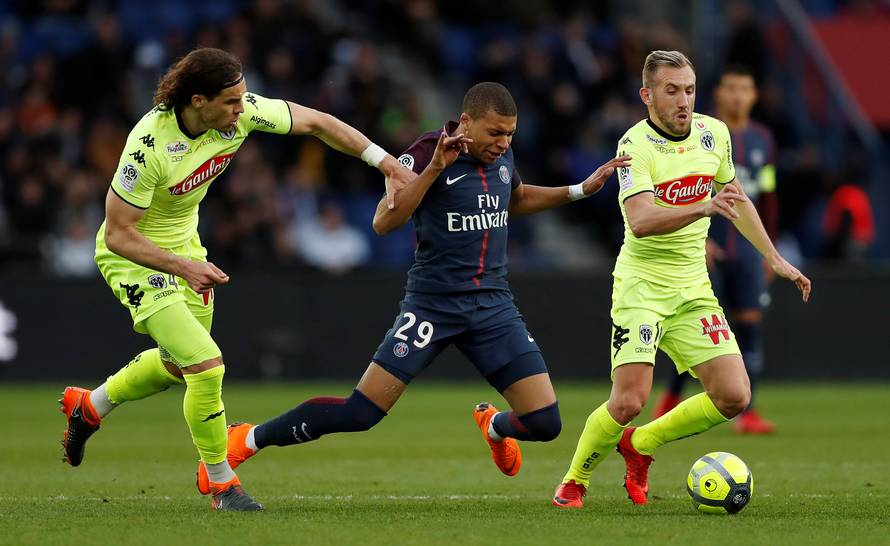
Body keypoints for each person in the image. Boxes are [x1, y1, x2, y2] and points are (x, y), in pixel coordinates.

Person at [194, 82, 631, 493]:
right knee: (360, 413)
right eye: (496, 132)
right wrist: (434, 170)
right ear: (467, 121)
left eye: (511, 134)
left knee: (545, 423)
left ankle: (495, 426)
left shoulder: (502, 158)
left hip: (493, 306)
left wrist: (578, 190)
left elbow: (513, 200)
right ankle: (248, 438)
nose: (504, 143)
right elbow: (384, 221)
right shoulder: (426, 152)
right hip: (432, 307)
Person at [57, 47, 414, 511]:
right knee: (206, 364)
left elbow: (320, 123)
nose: (242, 110)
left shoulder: (238, 114)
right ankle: (222, 484)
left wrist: (385, 162)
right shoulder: (147, 145)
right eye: (231, 102)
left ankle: (91, 406)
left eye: (243, 99)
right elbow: (120, 234)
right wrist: (183, 267)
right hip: (136, 257)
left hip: (186, 246)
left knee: (175, 365)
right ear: (198, 100)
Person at [552, 51, 811, 509]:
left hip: (694, 289)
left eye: (689, 89)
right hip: (642, 288)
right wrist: (702, 207)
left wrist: (775, 258)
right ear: (647, 96)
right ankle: (575, 480)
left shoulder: (715, 135)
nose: (683, 100)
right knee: (629, 401)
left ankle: (640, 445)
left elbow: (738, 200)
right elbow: (641, 220)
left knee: (734, 395)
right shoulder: (634, 147)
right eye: (671, 91)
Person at [651, 65, 780, 434]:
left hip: (746, 250)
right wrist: (696, 234)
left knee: (750, 325)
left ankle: (749, 411)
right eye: (731, 88)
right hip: (703, 247)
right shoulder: (699, 133)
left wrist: (768, 248)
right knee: (697, 328)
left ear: (754, 96)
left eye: (745, 88)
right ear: (719, 94)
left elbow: (767, 196)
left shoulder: (763, 141)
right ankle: (670, 400)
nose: (738, 95)